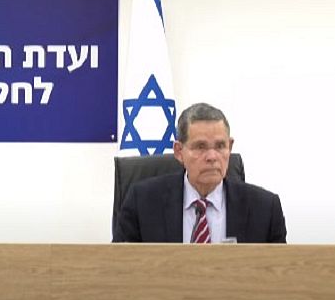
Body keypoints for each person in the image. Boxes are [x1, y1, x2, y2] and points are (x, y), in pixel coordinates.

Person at [114, 103, 286, 243]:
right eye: (200, 147)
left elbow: (280, 272)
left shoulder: (265, 209)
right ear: (179, 151)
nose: (212, 157)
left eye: (220, 146)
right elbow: (118, 266)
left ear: (230, 147)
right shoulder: (142, 202)